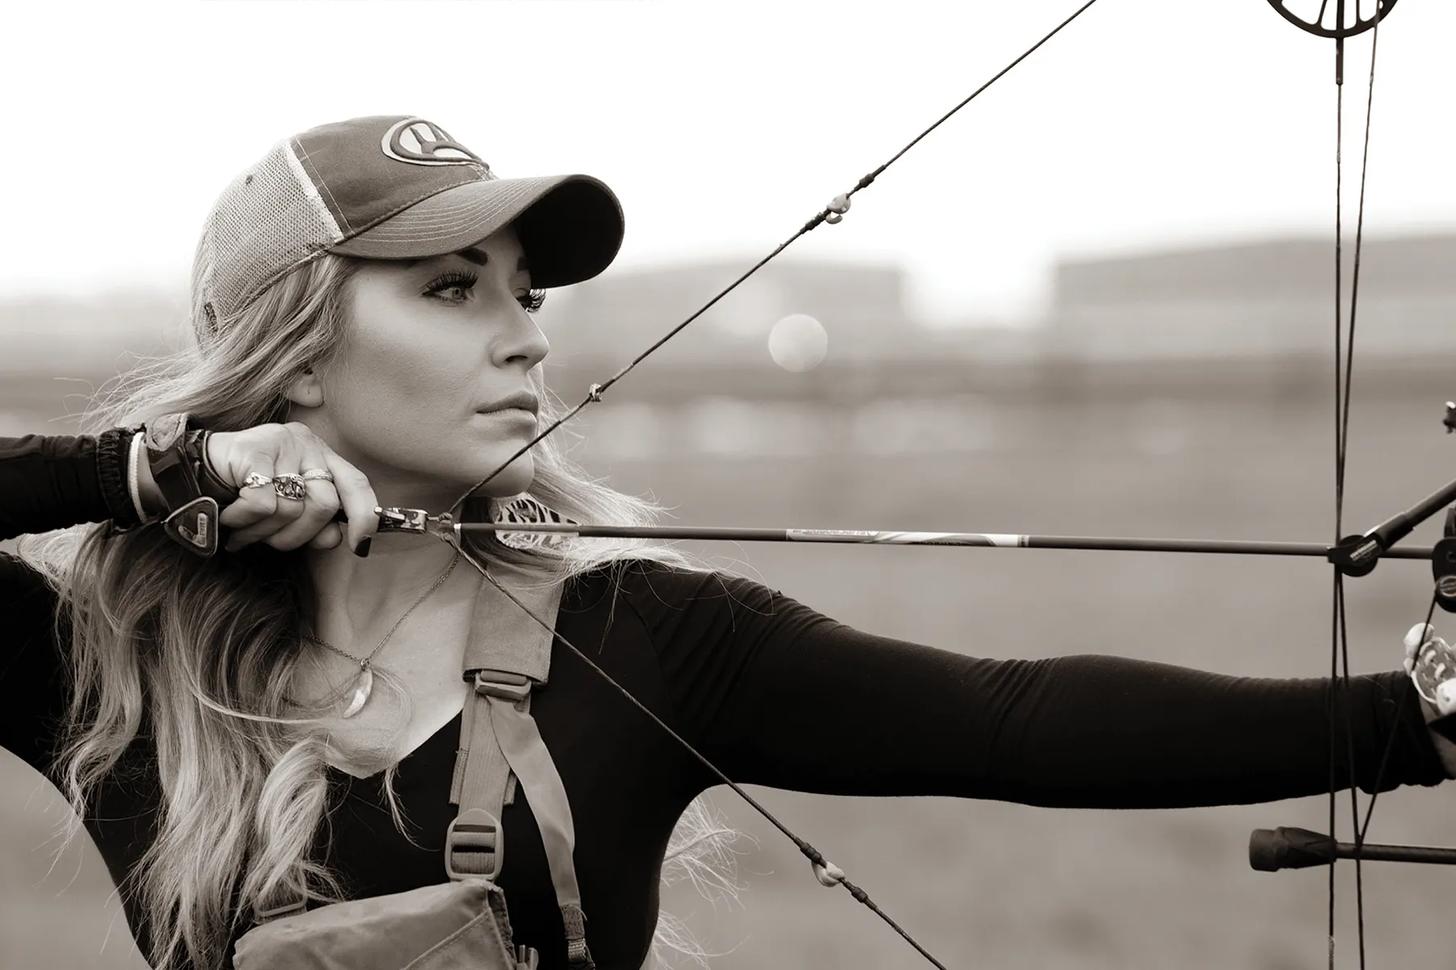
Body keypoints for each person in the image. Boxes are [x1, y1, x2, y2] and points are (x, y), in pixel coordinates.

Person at [2, 115, 1454, 970]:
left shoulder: (641, 636)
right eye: (454, 289)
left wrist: (1417, 720)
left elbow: (1014, 720)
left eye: (525, 291)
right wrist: (149, 468)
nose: (526, 333)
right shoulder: (119, 678)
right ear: (299, 357)